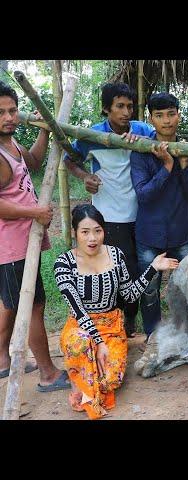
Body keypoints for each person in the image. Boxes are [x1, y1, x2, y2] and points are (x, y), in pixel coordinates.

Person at [55, 204, 179, 419]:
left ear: (104, 231)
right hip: (80, 326)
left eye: (97, 231)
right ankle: (82, 377)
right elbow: (78, 310)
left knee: (111, 380)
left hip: (112, 326)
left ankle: (84, 378)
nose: (92, 238)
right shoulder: (64, 263)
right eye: (85, 232)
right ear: (75, 233)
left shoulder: (115, 254)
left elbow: (129, 295)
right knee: (81, 344)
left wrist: (153, 268)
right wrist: (98, 343)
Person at [64, 82, 155, 337]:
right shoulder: (91, 136)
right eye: (119, 107)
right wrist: (85, 176)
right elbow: (69, 160)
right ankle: (118, 318)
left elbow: (161, 148)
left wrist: (143, 143)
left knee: (139, 269)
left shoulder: (144, 131)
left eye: (129, 106)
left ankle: (132, 318)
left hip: (143, 213)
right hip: (110, 216)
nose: (126, 112)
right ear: (106, 109)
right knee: (116, 269)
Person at [0, 80, 71, 391]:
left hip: (18, 241)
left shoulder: (11, 146)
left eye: (12, 110)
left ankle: (2, 360)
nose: (9, 117)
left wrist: (44, 129)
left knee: (11, 304)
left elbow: (34, 161)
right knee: (33, 306)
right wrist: (34, 213)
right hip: (11, 244)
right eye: (0, 112)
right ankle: (47, 373)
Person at [130, 93, 188, 337]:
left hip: (181, 234)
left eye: (171, 114)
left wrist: (181, 165)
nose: (166, 121)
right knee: (149, 292)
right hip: (150, 234)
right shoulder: (140, 151)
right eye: (159, 116)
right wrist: (167, 166)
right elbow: (143, 195)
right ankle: (153, 337)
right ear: (151, 119)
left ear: (179, 116)